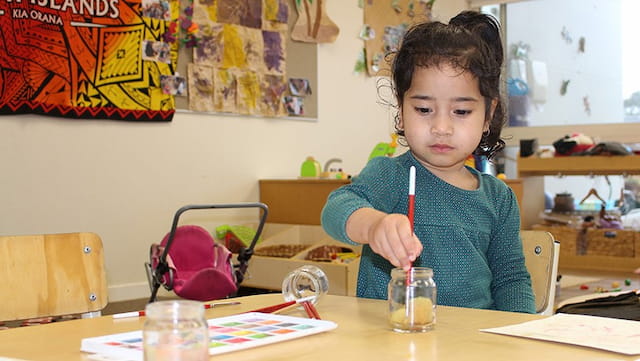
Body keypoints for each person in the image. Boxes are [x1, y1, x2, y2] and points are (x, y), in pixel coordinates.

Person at [321, 11, 535, 313]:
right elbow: (337, 208)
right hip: (387, 339)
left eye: (461, 112)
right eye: (423, 109)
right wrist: (373, 226)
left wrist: (518, 334)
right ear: (401, 108)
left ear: (488, 115)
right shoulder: (390, 174)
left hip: (470, 342)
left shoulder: (499, 198)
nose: (441, 127)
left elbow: (511, 279)